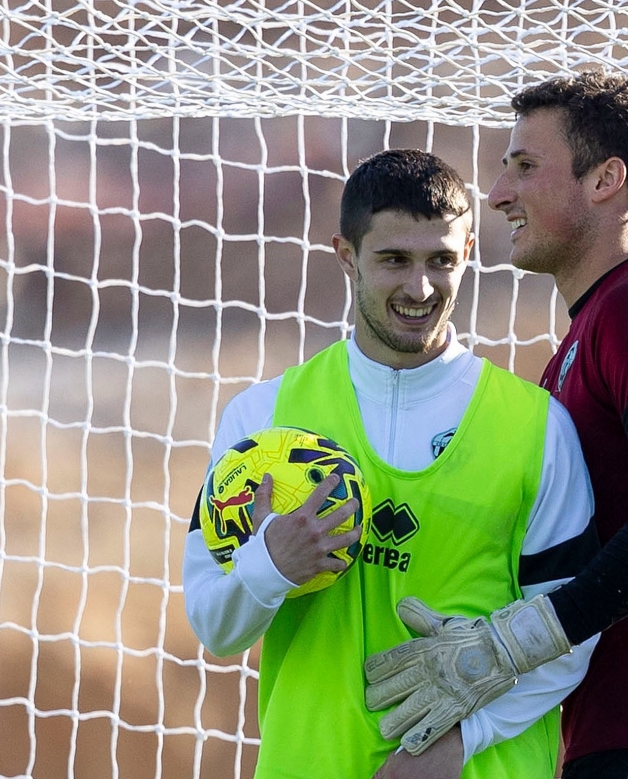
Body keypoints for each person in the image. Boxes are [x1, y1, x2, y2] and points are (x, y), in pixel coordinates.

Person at [364, 72, 628, 778]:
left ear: (605, 180)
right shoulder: (587, 335)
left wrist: (517, 640)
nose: (498, 193)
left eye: (525, 166)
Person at [181, 149, 599, 779]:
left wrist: (455, 744)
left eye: (441, 261)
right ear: (347, 256)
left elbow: (573, 637)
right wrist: (271, 565)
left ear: (467, 256)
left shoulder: (538, 429)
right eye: (394, 260)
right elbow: (214, 626)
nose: (420, 287)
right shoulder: (261, 422)